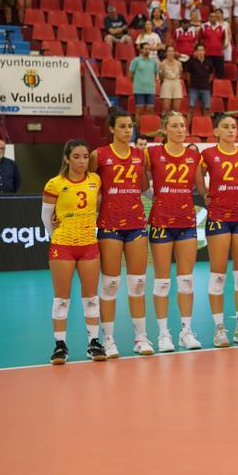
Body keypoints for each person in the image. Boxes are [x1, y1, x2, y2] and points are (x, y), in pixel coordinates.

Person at [94, 111, 152, 359]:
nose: (128, 130)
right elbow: (88, 185)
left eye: (130, 126)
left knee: (138, 283)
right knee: (110, 283)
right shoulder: (100, 154)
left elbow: (145, 189)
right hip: (110, 225)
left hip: (136, 224)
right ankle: (107, 339)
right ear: (111, 129)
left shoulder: (140, 155)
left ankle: (141, 337)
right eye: (122, 126)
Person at [42, 140, 106, 364]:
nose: (81, 161)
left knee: (90, 296)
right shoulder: (55, 184)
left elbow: (97, 207)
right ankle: (60, 346)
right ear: (67, 159)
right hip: (63, 245)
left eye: (85, 157)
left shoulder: (95, 180)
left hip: (88, 244)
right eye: (76, 157)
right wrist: (58, 237)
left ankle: (94, 343)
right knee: (62, 298)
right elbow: (45, 218)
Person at [145, 111, 204, 352]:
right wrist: (157, 198)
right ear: (164, 129)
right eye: (175, 126)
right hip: (161, 222)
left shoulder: (193, 156)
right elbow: (140, 183)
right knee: (161, 282)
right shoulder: (152, 153)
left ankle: (186, 331)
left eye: (183, 125)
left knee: (186, 280)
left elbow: (202, 189)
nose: (181, 130)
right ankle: (162, 334)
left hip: (186, 222)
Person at [197, 113, 238, 347]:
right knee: (218, 274)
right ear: (216, 131)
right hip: (219, 217)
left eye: (234, 126)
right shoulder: (208, 154)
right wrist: (204, 194)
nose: (231, 130)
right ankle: (219, 328)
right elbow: (197, 174)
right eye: (226, 127)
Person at [129, 43, 160, 119]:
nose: (147, 51)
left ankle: (148, 128)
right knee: (139, 110)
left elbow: (155, 73)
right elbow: (130, 75)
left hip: (150, 89)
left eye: (149, 49)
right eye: (146, 49)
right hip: (139, 89)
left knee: (150, 109)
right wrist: (138, 83)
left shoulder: (153, 62)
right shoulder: (135, 61)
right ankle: (138, 129)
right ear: (141, 50)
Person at [184, 44, 215, 117]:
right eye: (199, 50)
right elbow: (188, 75)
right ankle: (188, 126)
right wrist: (191, 83)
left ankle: (206, 126)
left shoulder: (208, 62)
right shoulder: (192, 62)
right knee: (191, 108)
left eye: (202, 50)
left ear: (204, 51)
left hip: (205, 88)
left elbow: (211, 74)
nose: (200, 52)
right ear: (196, 52)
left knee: (206, 109)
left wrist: (207, 82)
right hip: (194, 88)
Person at [158, 46, 184, 114]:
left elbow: (180, 73)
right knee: (166, 108)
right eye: (169, 51)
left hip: (176, 83)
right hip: (167, 83)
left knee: (176, 108)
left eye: (172, 51)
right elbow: (161, 76)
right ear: (166, 53)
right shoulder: (162, 64)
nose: (171, 53)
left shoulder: (179, 64)